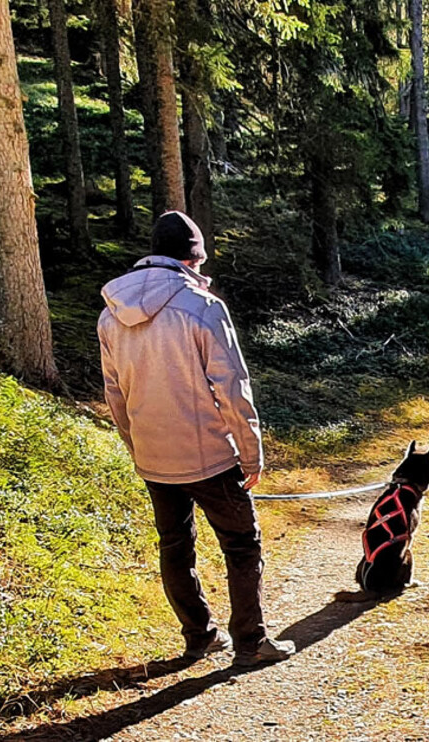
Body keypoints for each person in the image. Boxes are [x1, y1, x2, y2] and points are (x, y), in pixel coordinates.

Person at [98, 211, 295, 666]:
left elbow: (114, 392)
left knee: (174, 544)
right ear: (193, 259)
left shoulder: (111, 314)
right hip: (209, 455)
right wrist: (252, 455)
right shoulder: (202, 308)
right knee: (242, 544)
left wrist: (136, 447)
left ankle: (199, 636)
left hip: (153, 456)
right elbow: (232, 387)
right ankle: (250, 642)